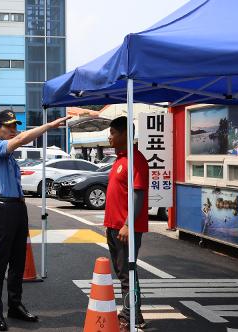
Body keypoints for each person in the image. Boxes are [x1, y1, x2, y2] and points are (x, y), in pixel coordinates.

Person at [0, 110, 70, 331]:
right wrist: (49, 126)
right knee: (0, 261)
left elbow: (20, 139)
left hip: (17, 208)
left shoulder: (10, 156)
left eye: (15, 125)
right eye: (8, 126)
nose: (13, 129)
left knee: (18, 260)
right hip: (2, 208)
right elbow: (21, 139)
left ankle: (15, 305)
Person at [104, 116, 149, 330]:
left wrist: (128, 224)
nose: (109, 136)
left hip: (125, 228)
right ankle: (132, 313)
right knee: (123, 271)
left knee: (127, 271)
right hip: (114, 226)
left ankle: (132, 314)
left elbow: (138, 195)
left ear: (124, 134)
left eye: (112, 132)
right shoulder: (120, 159)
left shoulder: (136, 159)